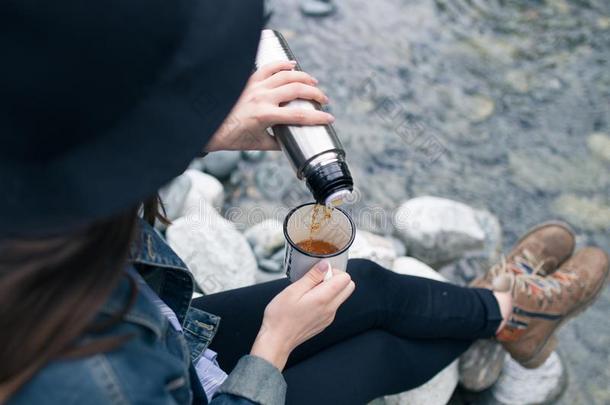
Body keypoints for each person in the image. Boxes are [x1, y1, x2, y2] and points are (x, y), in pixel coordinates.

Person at [1, 2, 607, 405]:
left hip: (168, 332)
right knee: (383, 351)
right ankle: (519, 318)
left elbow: (62, 166)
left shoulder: (28, 167)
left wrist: (197, 131)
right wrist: (274, 345)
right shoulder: (84, 380)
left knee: (368, 281)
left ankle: (508, 310)